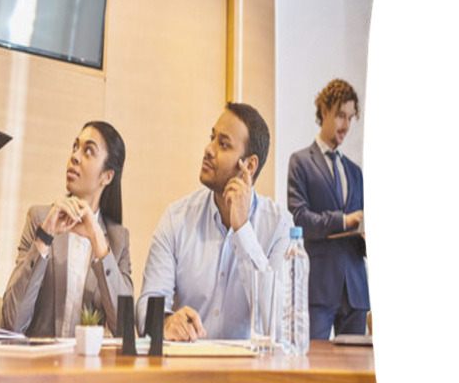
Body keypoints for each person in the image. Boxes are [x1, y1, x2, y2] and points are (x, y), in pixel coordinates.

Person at [137, 102, 293, 341]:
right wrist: (167, 321)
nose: (208, 149)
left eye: (223, 144)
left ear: (249, 166)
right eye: (212, 138)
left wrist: (242, 230)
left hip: (250, 373)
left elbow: (281, 327)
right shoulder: (176, 218)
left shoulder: (279, 226)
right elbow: (147, 306)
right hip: (188, 369)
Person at [2, 121, 132, 337]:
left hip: (89, 368)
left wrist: (99, 244)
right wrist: (45, 237)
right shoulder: (40, 219)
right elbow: (12, 322)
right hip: (39, 365)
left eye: (88, 151)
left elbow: (126, 331)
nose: (75, 156)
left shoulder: (118, 239)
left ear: (107, 176)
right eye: (75, 147)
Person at [287, 78, 369, 339]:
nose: (346, 126)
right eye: (340, 116)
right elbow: (301, 220)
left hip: (355, 291)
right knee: (313, 368)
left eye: (350, 118)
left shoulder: (355, 172)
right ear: (324, 110)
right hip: (319, 288)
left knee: (355, 374)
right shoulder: (300, 162)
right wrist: (345, 221)